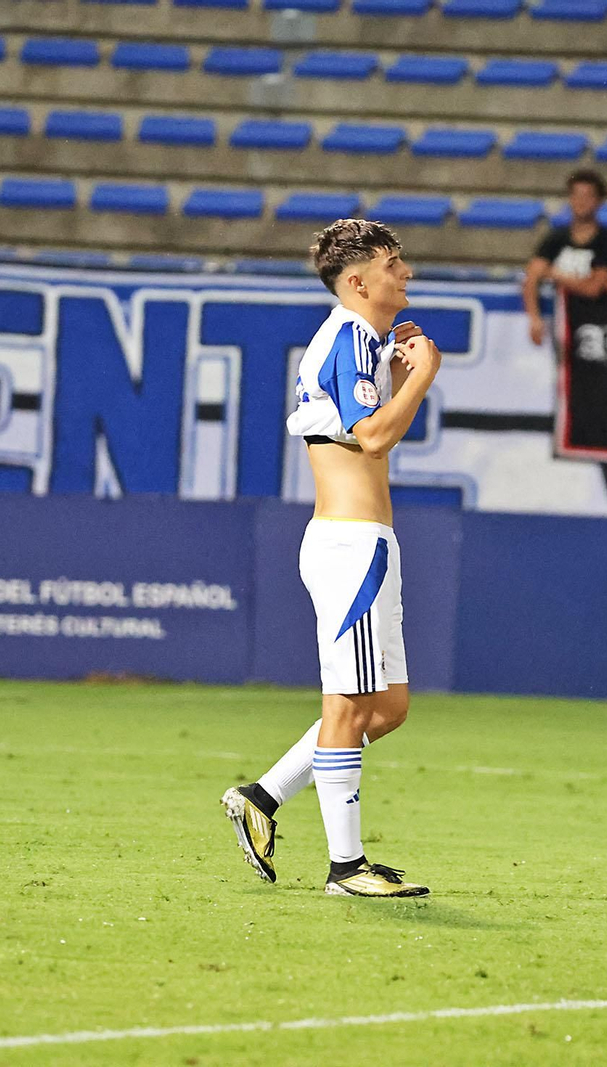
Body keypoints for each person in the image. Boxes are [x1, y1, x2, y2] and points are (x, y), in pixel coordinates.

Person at [222, 219, 440, 898]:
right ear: (357, 281)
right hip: (351, 545)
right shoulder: (347, 334)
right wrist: (424, 377)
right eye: (392, 262)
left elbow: (365, 434)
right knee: (348, 701)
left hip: (366, 542)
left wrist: (399, 373)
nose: (404, 272)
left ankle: (263, 793)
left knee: (389, 706)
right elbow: (373, 437)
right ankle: (347, 867)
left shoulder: (363, 341)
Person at [523, 169, 607, 346]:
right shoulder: (556, 238)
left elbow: (594, 288)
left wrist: (556, 274)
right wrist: (534, 318)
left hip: (594, 327)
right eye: (576, 195)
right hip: (559, 321)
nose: (581, 202)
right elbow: (532, 276)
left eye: (587, 196)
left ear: (599, 201)